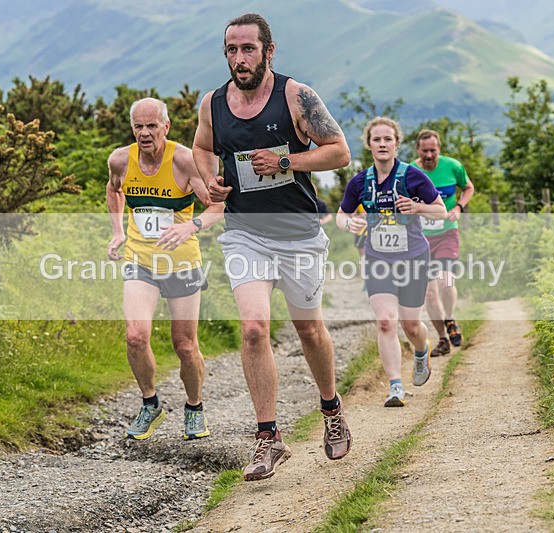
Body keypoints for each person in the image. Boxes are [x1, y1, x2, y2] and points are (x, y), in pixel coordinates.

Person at [192, 12, 353, 481]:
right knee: (254, 329)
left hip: (299, 233)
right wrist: (210, 182)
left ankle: (331, 408)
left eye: (248, 49)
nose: (239, 59)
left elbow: (339, 150)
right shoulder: (213, 104)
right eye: (231, 51)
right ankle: (268, 438)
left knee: (308, 330)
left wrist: (286, 158)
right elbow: (202, 148)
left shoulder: (296, 96)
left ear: (268, 50)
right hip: (246, 232)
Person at [106, 97, 223, 442]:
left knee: (185, 345)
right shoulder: (119, 160)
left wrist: (192, 226)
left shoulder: (184, 160)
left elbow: (217, 206)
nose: (145, 133)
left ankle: (194, 406)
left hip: (183, 262)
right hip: (140, 260)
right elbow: (114, 191)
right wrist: (117, 231)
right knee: (135, 336)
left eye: (152, 126)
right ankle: (150, 403)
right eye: (138, 127)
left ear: (166, 127)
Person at [336, 117, 446, 407]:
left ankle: (422, 351)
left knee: (411, 326)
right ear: (369, 144)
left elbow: (441, 212)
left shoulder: (413, 177)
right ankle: (395, 386)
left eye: (388, 139)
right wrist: (352, 225)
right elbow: (341, 215)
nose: (382, 144)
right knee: (385, 321)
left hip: (413, 258)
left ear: (397, 143)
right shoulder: (360, 181)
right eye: (377, 140)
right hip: (378, 259)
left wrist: (417, 206)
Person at [411, 129, 475, 357]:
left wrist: (458, 208)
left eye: (433, 150)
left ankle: (450, 318)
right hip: (420, 237)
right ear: (418, 150)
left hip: (447, 232)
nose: (429, 155)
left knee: (446, 283)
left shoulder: (452, 166)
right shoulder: (411, 171)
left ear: (439, 149)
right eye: (425, 151)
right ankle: (442, 339)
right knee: (429, 293)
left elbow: (468, 187)